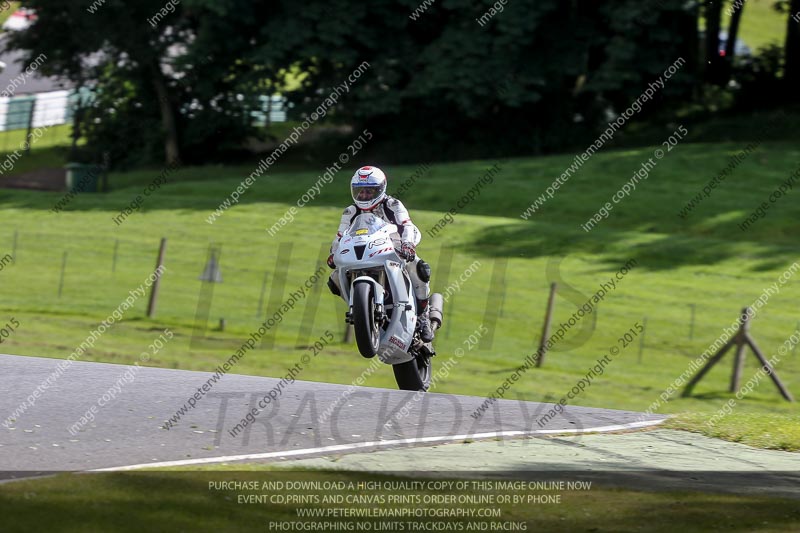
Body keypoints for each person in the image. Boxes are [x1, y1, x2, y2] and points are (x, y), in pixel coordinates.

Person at [327, 165, 434, 342]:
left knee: (420, 269)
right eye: (360, 191)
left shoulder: (392, 205)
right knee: (334, 280)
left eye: (369, 191)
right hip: (362, 252)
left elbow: (407, 225)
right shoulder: (350, 212)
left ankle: (424, 317)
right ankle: (362, 310)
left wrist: (407, 244)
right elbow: (340, 236)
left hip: (394, 251)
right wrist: (333, 253)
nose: (364, 195)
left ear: (381, 189)